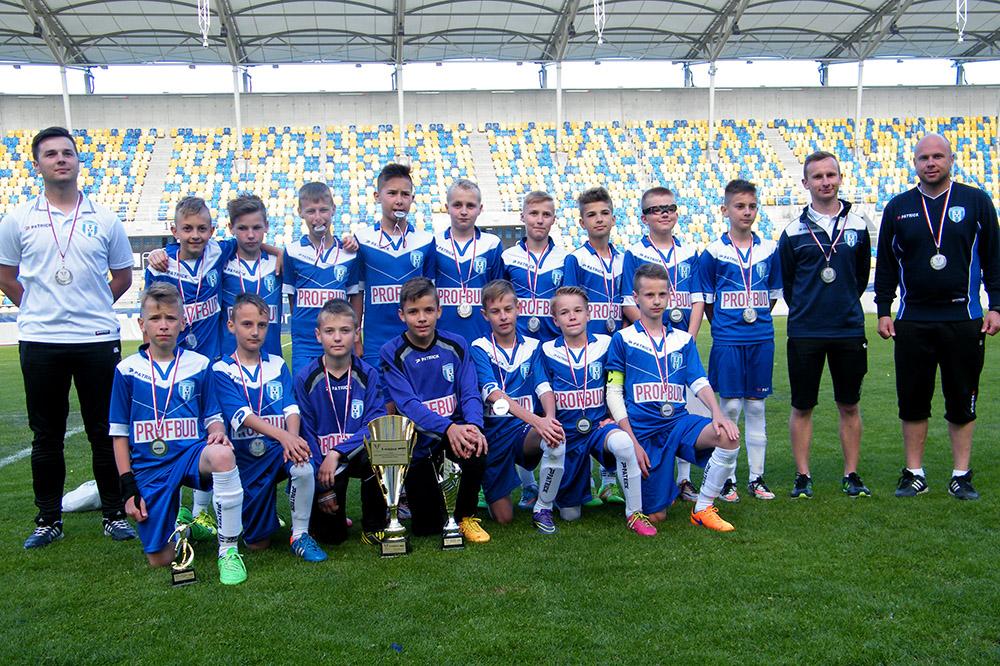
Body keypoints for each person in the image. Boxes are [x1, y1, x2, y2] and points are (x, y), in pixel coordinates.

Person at [0, 126, 136, 548]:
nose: (61, 159)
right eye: (51, 154)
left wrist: (92, 306)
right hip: (41, 340)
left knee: (105, 430)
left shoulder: (105, 218)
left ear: (78, 161)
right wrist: (36, 309)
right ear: (37, 165)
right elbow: (5, 274)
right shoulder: (18, 219)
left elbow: (123, 276)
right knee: (47, 435)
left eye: (67, 153)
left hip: (96, 338)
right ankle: (48, 519)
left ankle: (114, 514)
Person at [874, 132, 1000, 500]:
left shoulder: (976, 202)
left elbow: (994, 259)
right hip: (912, 319)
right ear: (914, 163)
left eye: (937, 156)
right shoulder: (898, 207)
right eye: (923, 158)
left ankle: (961, 474)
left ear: (950, 160)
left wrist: (996, 305)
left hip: (964, 317)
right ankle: (914, 473)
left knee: (961, 400)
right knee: (913, 401)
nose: (931, 163)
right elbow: (886, 265)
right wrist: (883, 309)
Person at [110, 283, 248, 584]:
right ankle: (186, 526)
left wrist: (218, 432)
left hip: (189, 454)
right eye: (155, 318)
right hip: (150, 466)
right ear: (141, 324)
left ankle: (228, 551)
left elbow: (213, 416)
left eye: (171, 318)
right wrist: (128, 485)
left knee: (223, 455)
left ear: (182, 323)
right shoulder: (126, 370)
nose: (163, 325)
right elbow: (119, 434)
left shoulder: (199, 365)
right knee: (160, 559)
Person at [606, 263, 741, 531]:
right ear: (636, 297)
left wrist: (717, 413)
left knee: (728, 436)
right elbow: (613, 391)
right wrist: (631, 440)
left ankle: (702, 508)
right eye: (649, 295)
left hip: (678, 422)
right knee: (656, 516)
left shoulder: (683, 340)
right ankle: (656, 487)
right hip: (643, 429)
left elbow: (699, 380)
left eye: (662, 294)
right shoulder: (622, 339)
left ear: (670, 296)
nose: (656, 301)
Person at [778, 151, 872, 499]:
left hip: (848, 328)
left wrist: (841, 304)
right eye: (817, 176)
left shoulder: (858, 225)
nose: (825, 182)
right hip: (805, 331)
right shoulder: (792, 231)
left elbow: (859, 277)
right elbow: (789, 283)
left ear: (840, 178)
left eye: (831, 175)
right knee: (802, 405)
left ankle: (851, 474)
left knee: (849, 404)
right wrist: (809, 309)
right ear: (806, 183)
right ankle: (803, 475)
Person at [212, 294, 327, 562]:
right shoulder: (221, 369)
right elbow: (242, 415)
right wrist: (285, 437)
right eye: (247, 324)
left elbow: (291, 408)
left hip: (276, 451)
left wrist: (293, 440)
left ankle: (300, 535)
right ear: (231, 326)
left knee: (302, 463)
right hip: (245, 460)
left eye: (262, 325)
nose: (255, 331)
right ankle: (256, 515)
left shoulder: (277, 364)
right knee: (257, 544)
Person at [535, 286, 657, 537]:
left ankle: (635, 513)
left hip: (598, 427)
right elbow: (543, 389)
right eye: (564, 312)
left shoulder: (606, 343)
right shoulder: (546, 350)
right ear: (555, 320)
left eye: (578, 310)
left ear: (588, 314)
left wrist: (613, 417)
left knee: (623, 443)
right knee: (570, 514)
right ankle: (547, 503)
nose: (572, 316)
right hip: (567, 432)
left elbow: (619, 385)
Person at [379, 277, 491, 543]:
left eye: (428, 310)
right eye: (413, 312)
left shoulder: (457, 344)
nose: (422, 318)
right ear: (402, 315)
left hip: (456, 435)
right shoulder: (391, 352)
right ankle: (431, 505)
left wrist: (473, 426)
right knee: (426, 527)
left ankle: (465, 516)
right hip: (419, 443)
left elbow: (470, 392)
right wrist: (448, 427)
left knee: (475, 443)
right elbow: (408, 405)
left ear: (439, 311)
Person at [697, 179, 782, 502]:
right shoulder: (714, 252)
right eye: (740, 206)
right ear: (725, 210)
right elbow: (707, 301)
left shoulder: (769, 249)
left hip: (760, 337)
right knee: (730, 406)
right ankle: (727, 478)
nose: (747, 212)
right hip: (727, 339)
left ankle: (757, 478)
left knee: (757, 406)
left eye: (752, 206)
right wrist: (724, 326)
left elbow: (771, 295)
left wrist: (753, 317)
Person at [621, 186, 707, 503]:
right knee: (655, 409)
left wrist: (688, 339)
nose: (664, 213)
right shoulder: (634, 253)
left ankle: (684, 479)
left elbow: (697, 299)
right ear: (644, 218)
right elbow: (627, 301)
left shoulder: (689, 252)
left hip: (680, 344)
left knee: (684, 406)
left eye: (669, 207)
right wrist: (652, 332)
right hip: (650, 344)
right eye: (656, 209)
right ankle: (645, 474)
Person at [294, 299, 389, 547]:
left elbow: (374, 423)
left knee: (382, 451)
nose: (337, 338)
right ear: (318, 335)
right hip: (322, 462)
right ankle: (331, 512)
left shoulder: (368, 374)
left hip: (353, 453)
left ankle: (375, 525)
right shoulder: (305, 378)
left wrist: (337, 452)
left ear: (357, 334)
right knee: (331, 538)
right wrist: (322, 487)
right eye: (330, 331)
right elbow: (307, 434)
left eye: (345, 331)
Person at [470, 279, 563, 525]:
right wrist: (537, 421)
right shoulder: (479, 347)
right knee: (504, 518)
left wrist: (549, 420)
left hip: (523, 431)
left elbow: (543, 387)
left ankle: (543, 507)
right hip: (493, 435)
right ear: (485, 315)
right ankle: (489, 484)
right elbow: (492, 393)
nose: (503, 316)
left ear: (518, 309)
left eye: (508, 309)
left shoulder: (533, 346)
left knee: (554, 436)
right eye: (495, 311)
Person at [502, 190, 567, 508]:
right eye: (534, 213)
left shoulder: (565, 259)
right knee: (521, 411)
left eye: (546, 214)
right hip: (519, 350)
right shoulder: (507, 257)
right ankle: (528, 486)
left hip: (552, 350)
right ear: (523, 217)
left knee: (553, 412)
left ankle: (559, 483)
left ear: (553, 219)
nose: (540, 220)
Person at [563, 187, 626, 505]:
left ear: (613, 218)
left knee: (611, 409)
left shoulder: (625, 259)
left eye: (604, 213)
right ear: (582, 222)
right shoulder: (576, 259)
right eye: (591, 215)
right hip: (586, 347)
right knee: (584, 410)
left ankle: (609, 481)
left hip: (616, 345)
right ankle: (582, 480)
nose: (599, 219)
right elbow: (569, 303)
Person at [353, 163, 436, 369]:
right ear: (377, 196)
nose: (399, 200)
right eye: (392, 193)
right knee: (379, 391)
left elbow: (431, 296)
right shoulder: (362, 240)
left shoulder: (426, 241)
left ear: (412, 198)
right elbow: (357, 293)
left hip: (417, 341)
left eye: (405, 194)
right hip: (376, 343)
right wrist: (356, 337)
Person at [283, 182, 360, 377]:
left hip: (339, 340)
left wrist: (355, 336)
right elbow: (292, 297)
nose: (318, 217)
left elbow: (355, 296)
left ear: (333, 209)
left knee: (342, 390)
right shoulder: (292, 252)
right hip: (305, 343)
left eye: (323, 210)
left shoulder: (349, 253)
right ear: (300, 212)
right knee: (304, 390)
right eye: (311, 211)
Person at [433, 179, 504, 343]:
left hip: (483, 337)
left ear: (480, 209)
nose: (464, 211)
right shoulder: (434, 243)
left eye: (470, 206)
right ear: (447, 207)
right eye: (457, 205)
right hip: (441, 337)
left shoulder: (492, 244)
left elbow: (499, 293)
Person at [219, 195, 283, 359]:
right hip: (229, 363)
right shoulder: (221, 264)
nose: (251, 235)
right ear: (231, 228)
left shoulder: (279, 263)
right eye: (242, 228)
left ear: (266, 226)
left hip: (271, 361)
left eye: (256, 227)